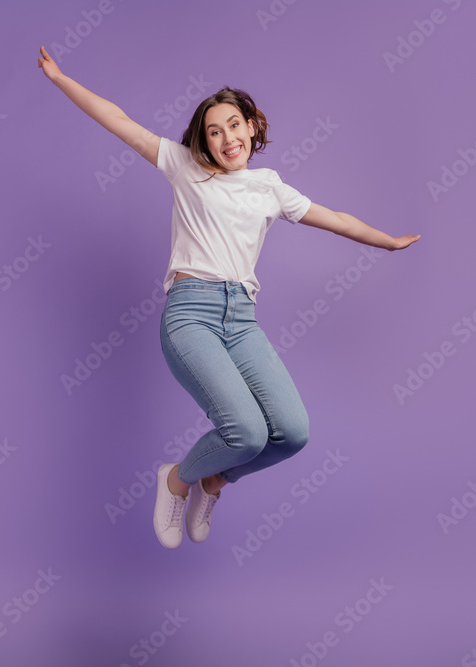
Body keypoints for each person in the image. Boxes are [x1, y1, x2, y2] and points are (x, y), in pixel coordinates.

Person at [38, 46, 420, 550]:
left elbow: (338, 220)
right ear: (203, 140)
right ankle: (176, 480)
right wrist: (61, 79)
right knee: (244, 430)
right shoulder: (183, 168)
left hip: (241, 319)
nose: (226, 138)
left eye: (234, 125)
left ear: (252, 127)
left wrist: (387, 241)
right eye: (214, 131)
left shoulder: (270, 188)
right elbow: (119, 120)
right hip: (191, 314)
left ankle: (215, 481)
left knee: (291, 431)